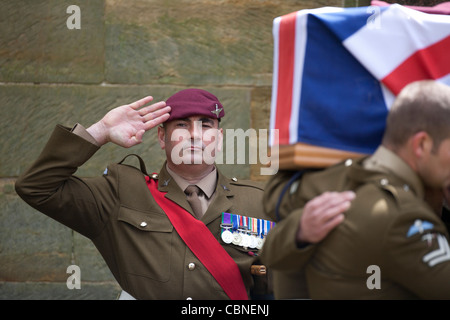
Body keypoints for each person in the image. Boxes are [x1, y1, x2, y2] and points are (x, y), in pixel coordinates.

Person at [15, 88, 273, 300]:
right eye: (182, 125)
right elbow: (36, 187)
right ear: (162, 137)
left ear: (219, 138)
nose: (194, 135)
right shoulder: (121, 192)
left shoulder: (258, 201)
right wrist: (100, 132)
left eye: (206, 125)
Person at [259, 80, 450, 299]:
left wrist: (299, 231)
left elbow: (272, 231)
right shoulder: (403, 218)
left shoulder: (332, 179)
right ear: (422, 145)